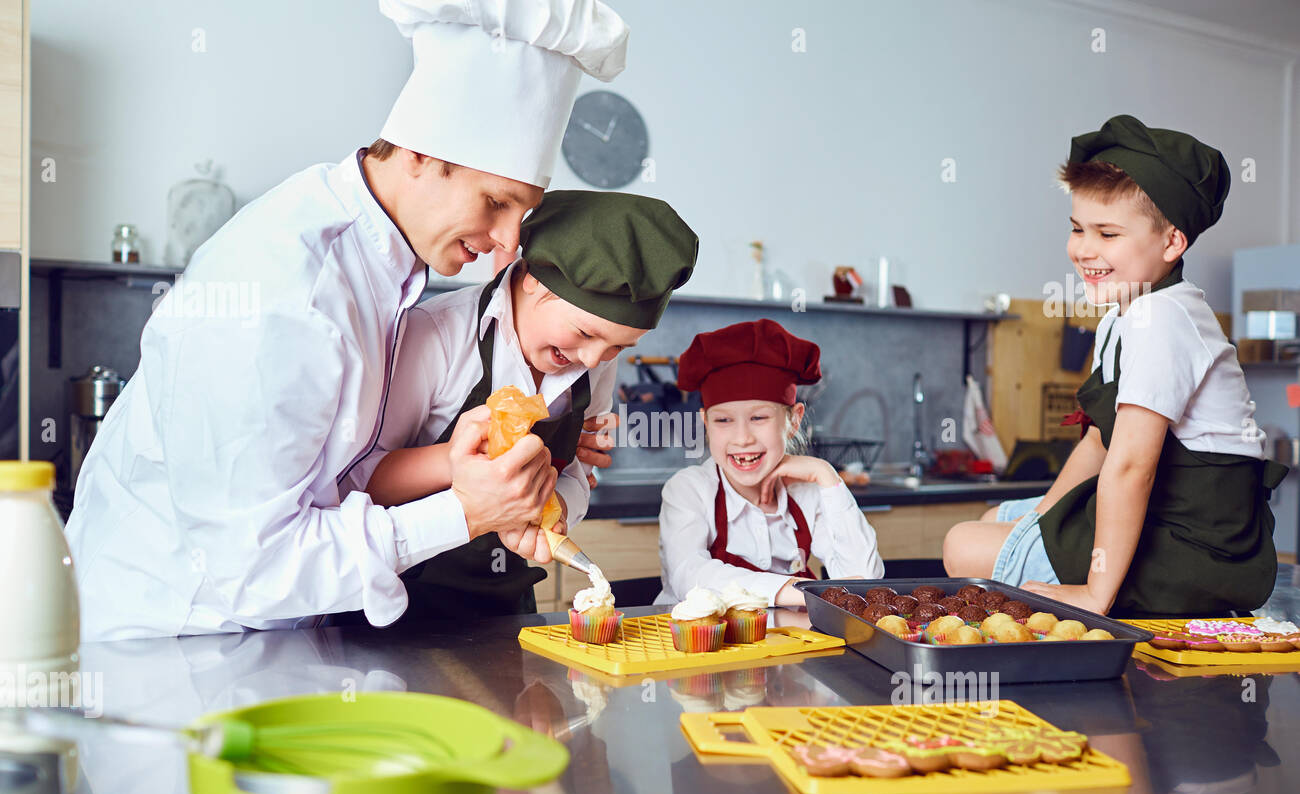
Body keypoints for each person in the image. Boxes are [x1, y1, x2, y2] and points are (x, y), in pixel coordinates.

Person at [65, 0, 629, 640]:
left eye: (520, 215)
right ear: (419, 152)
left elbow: (330, 482)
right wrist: (464, 512)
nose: (506, 246)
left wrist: (463, 466)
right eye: (495, 202)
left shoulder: (380, 263)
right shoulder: (282, 294)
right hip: (169, 642)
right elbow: (253, 568)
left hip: (262, 635)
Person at [944, 114, 1287, 617]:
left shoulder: (1162, 318)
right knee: (997, 519)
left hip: (1197, 552)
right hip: (1158, 523)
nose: (1084, 249)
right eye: (1078, 228)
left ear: (1172, 242)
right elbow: (1100, 443)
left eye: (1107, 233)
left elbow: (1131, 465)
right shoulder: (1124, 315)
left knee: (961, 544)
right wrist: (1043, 518)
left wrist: (1094, 594)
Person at [344, 190, 699, 615]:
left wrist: (552, 509)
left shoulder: (594, 359)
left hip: (506, 602)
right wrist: (460, 464)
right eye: (585, 334)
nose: (592, 361)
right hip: (400, 601)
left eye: (617, 347)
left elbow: (577, 471)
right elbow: (355, 479)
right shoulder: (438, 337)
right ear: (534, 279)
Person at [656, 319, 885, 606]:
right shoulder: (689, 489)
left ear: (794, 421)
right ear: (706, 422)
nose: (742, 438)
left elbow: (864, 581)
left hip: (791, 646)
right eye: (723, 420)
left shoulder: (808, 492)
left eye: (758, 418)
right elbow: (690, 578)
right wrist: (803, 591)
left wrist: (826, 474)